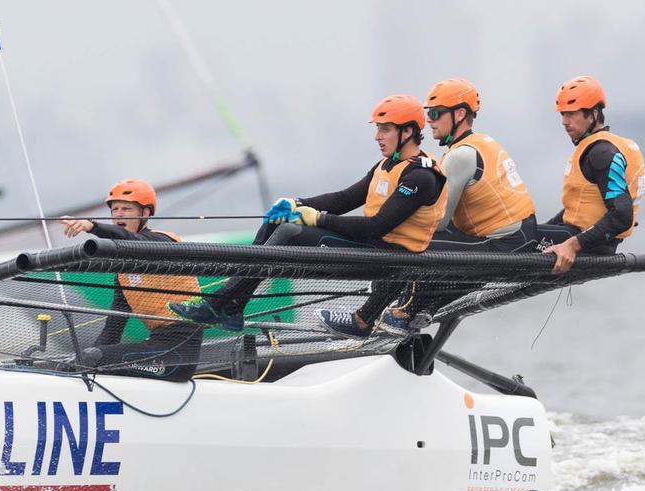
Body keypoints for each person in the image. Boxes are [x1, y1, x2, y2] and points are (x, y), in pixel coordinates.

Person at [169, 94, 447, 335]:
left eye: (385, 129)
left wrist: (315, 218)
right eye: (378, 129)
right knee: (277, 222)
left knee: (290, 232)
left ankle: (217, 302)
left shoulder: (421, 176)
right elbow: (344, 199)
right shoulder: (386, 164)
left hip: (388, 258)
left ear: (408, 132)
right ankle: (231, 309)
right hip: (370, 247)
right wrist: (295, 203)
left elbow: (376, 226)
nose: (377, 136)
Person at [317, 79, 537, 337]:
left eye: (435, 114)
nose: (429, 120)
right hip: (519, 234)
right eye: (427, 114)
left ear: (460, 114)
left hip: (505, 242)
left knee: (410, 246)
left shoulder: (460, 155)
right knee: (414, 244)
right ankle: (410, 311)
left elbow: (439, 221)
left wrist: (393, 222)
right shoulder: (482, 141)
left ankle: (369, 318)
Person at [59, 179, 203, 381]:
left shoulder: (162, 242)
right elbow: (113, 328)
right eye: (115, 209)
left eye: (126, 208)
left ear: (144, 214)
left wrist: (92, 227)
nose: (118, 213)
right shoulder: (124, 272)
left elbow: (133, 240)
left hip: (177, 358)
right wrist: (81, 359)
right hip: (155, 346)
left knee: (93, 358)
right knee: (84, 358)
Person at [539, 76, 645, 273]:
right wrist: (536, 231)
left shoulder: (602, 152)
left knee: (506, 240)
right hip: (583, 236)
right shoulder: (601, 147)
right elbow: (579, 210)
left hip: (589, 242)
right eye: (563, 114)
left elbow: (622, 216)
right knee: (524, 234)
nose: (564, 122)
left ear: (594, 114)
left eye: (571, 114)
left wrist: (572, 245)